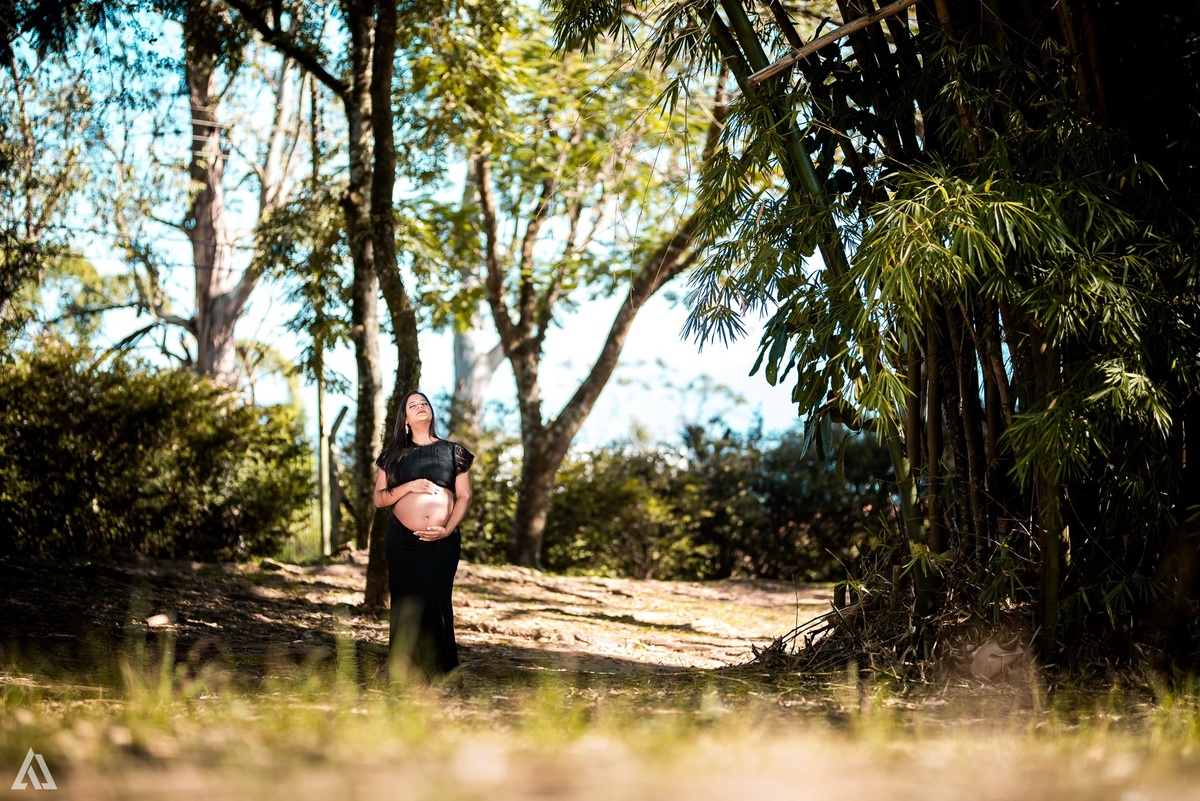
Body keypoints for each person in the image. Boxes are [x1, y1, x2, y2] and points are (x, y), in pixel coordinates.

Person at [373, 391, 473, 678]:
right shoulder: (392, 456)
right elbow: (380, 499)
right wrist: (409, 486)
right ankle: (406, 670)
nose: (420, 407)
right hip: (402, 541)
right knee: (407, 602)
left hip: (443, 540)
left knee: (437, 599)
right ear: (404, 419)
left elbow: (464, 496)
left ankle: (442, 671)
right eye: (412, 405)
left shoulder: (453, 451)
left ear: (431, 412)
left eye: (424, 403)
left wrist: (448, 529)